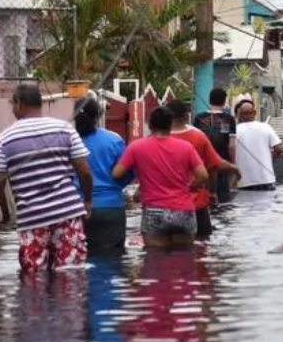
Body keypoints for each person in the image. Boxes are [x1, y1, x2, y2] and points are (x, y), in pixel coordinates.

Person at [0, 84, 93, 274]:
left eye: (13, 104)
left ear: (19, 103)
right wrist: (88, 200)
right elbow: (84, 171)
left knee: (35, 281)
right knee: (71, 276)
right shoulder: (65, 128)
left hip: (32, 220)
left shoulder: (6, 138)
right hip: (67, 214)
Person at [112, 106, 208, 249]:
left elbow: (117, 174)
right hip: (183, 211)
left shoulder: (136, 147)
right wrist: (188, 188)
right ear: (171, 125)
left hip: (153, 210)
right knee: (184, 260)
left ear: (150, 125)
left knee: (155, 261)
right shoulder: (186, 147)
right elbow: (203, 176)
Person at [165, 99, 240, 239]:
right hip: (195, 204)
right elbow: (213, 166)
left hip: (160, 207)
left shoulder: (154, 139)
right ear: (186, 116)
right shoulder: (198, 136)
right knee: (201, 246)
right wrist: (213, 191)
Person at [74, 96, 132, 250]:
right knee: (113, 260)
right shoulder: (114, 140)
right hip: (111, 207)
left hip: (75, 208)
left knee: (78, 260)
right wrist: (115, 187)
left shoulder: (68, 140)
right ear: (98, 115)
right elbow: (128, 172)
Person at [192, 87, 237, 204]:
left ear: (209, 99)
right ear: (224, 101)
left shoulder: (199, 118)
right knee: (223, 203)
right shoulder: (229, 119)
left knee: (204, 199)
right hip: (222, 163)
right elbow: (231, 146)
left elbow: (194, 143)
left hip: (202, 166)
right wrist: (232, 164)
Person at [234, 100, 283, 191]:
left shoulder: (235, 131)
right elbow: (279, 148)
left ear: (239, 115)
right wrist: (271, 159)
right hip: (266, 179)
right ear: (255, 113)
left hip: (244, 181)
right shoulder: (265, 127)